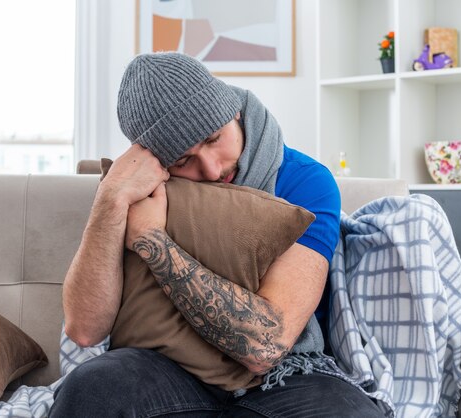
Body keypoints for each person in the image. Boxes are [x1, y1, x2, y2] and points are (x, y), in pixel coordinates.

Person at [51, 52, 383, 417]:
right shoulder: (139, 192)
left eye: (213, 139)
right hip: (165, 370)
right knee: (90, 387)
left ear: (234, 112)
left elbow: (267, 346)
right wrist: (110, 200)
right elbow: (84, 331)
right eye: (182, 161)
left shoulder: (304, 181)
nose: (210, 169)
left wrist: (152, 238)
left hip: (285, 376)